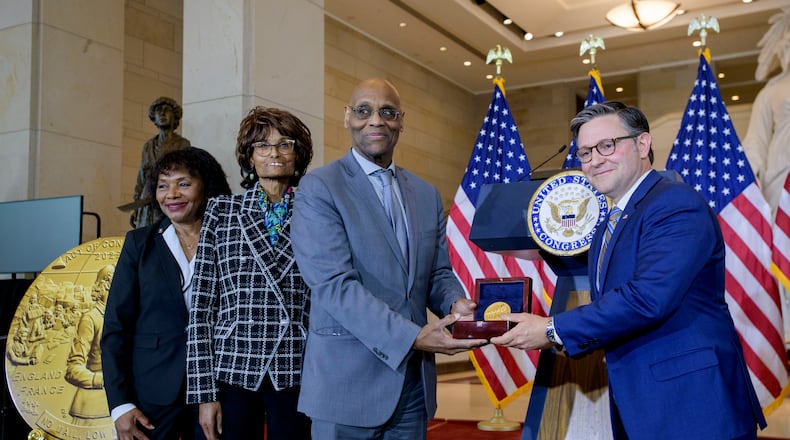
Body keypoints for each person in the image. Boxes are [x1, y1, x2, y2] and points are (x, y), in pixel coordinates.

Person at [490, 101, 767, 439]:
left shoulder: (674, 204)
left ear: (642, 144)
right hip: (644, 401)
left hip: (692, 404)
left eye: (607, 145)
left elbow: (647, 298)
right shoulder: (612, 219)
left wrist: (552, 329)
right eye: (585, 153)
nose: (594, 160)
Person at [291, 78, 486, 439]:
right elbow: (334, 286)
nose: (376, 121)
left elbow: (438, 272)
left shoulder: (426, 194)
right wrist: (412, 337)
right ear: (347, 116)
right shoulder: (319, 188)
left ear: (401, 121)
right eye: (364, 111)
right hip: (346, 384)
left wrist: (456, 304)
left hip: (412, 386)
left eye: (387, 112)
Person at [186, 107, 314, 440]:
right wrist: (203, 393)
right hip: (234, 368)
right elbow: (201, 308)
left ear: (298, 155)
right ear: (249, 155)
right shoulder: (221, 210)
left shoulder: (316, 211)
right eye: (262, 145)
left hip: (298, 365)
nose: (274, 152)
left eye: (285, 144)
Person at [102, 147, 231, 440]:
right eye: (163, 186)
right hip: (152, 393)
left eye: (183, 184)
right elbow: (115, 328)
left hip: (219, 389)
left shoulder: (230, 240)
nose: (171, 194)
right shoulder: (140, 243)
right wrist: (120, 404)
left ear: (206, 186)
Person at [65, 264, 115, 426]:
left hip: (126, 405)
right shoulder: (90, 318)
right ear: (106, 284)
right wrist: (101, 379)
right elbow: (73, 369)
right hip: (92, 409)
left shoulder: (126, 314)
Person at [132, 97, 192, 229]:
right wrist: (136, 205)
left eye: (166, 110)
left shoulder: (182, 144)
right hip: (147, 200)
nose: (163, 114)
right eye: (159, 111)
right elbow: (141, 176)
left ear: (174, 116)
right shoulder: (148, 146)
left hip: (170, 198)